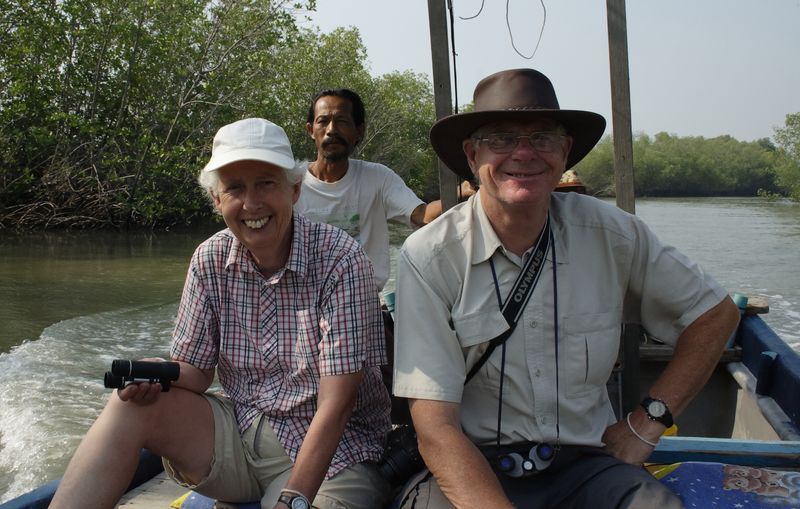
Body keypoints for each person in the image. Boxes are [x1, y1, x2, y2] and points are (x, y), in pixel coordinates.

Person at [391, 69, 740, 508]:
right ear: (471, 153)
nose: (524, 154)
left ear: (565, 150)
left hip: (586, 466)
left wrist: (645, 423)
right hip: (470, 464)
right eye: (501, 139)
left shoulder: (614, 235)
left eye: (542, 138)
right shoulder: (430, 256)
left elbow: (715, 314)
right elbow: (436, 428)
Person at [50, 118, 392, 509]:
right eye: (234, 188)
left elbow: (338, 402)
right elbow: (195, 373)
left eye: (266, 183)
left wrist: (292, 500)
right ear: (217, 200)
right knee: (129, 405)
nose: (251, 204)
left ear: (295, 190)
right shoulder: (208, 259)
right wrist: (158, 371)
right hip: (243, 433)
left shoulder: (341, 260)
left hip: (334, 453)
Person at [296, 88, 473, 292]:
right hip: (306, 302)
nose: (331, 130)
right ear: (310, 130)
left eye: (342, 121)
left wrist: (461, 191)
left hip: (362, 301)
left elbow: (422, 216)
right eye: (323, 121)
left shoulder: (377, 178)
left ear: (359, 131)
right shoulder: (291, 184)